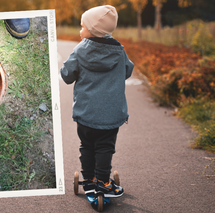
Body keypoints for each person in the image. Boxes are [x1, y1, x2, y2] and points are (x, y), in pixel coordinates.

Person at [60, 5, 134, 198]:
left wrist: (66, 67)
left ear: (92, 30)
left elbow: (67, 76)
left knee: (87, 146)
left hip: (86, 114)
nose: (80, 31)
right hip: (110, 114)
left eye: (82, 26)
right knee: (105, 147)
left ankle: (90, 181)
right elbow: (127, 71)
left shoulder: (79, 51)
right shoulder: (119, 50)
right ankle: (103, 182)